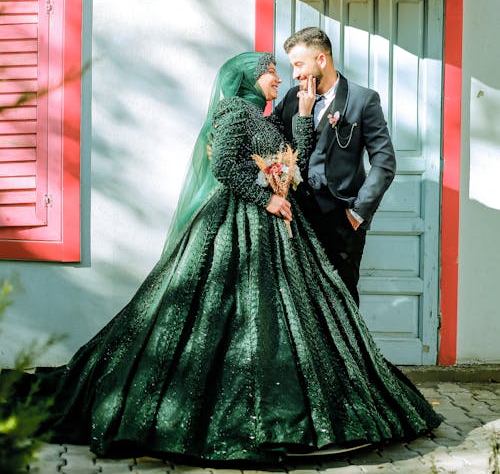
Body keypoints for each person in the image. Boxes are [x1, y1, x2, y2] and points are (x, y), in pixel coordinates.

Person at [26, 52, 439, 464]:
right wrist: (267, 198)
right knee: (224, 313)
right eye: (271, 71)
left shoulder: (263, 115)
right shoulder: (234, 111)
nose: (278, 78)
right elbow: (224, 165)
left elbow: (293, 154)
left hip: (276, 222)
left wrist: (304, 116)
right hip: (236, 219)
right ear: (248, 76)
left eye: (278, 70)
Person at [274, 27, 396, 305]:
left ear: (321, 60)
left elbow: (384, 161)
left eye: (298, 65)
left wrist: (358, 211)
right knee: (299, 303)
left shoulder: (363, 100)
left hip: (342, 222)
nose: (294, 75)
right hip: (296, 220)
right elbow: (271, 140)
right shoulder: (293, 99)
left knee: (342, 300)